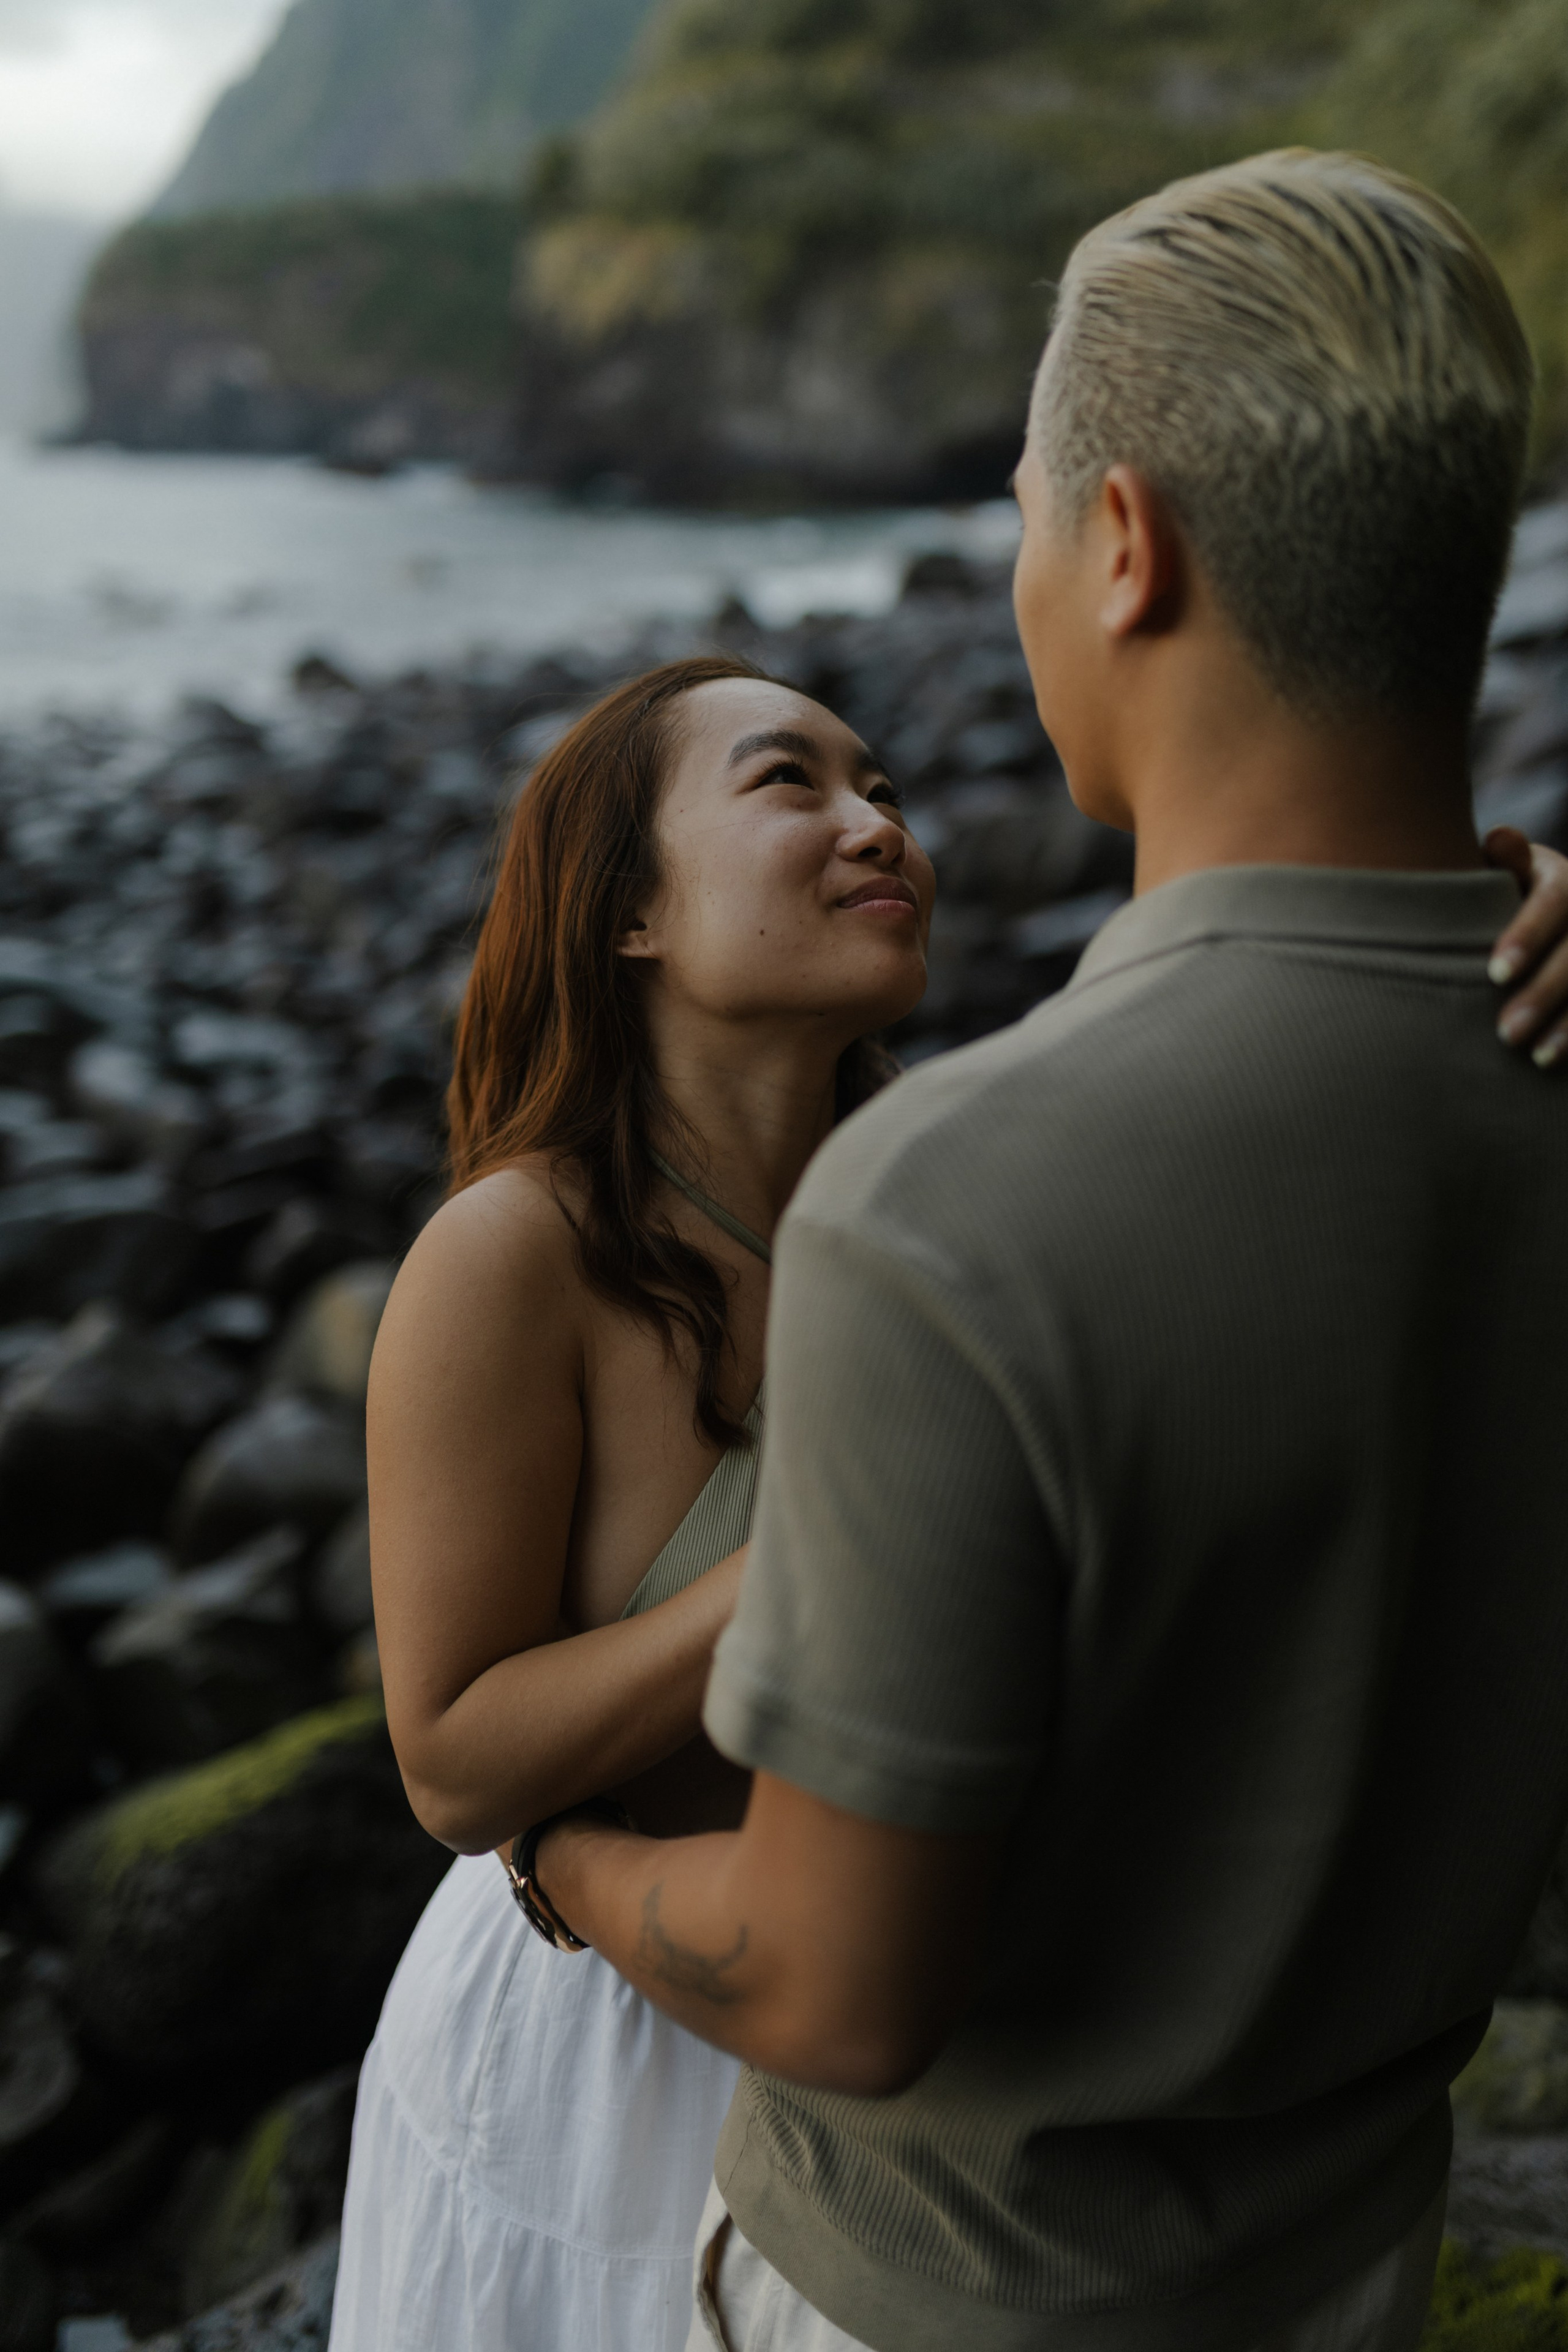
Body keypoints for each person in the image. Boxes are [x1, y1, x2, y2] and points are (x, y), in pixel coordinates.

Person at [520, 152, 1568, 2352]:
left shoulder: (958, 1203)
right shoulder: (1535, 1045)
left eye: (1017, 513)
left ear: (1122, 545)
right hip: (1354, 2262)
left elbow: (832, 1984)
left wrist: (572, 1873)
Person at [326, 651, 935, 2352]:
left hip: (897, 2025)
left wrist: (1510, 905)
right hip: (595, 2067)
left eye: (880, 785)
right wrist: (794, 1568)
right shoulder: (514, 1257)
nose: (872, 821)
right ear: (630, 915)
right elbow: (450, 1757)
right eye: (786, 783)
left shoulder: (961, 1203)